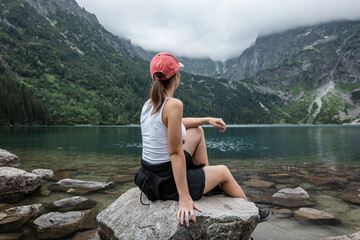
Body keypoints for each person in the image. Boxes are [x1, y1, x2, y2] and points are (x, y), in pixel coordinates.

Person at [135, 52, 271, 226]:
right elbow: (175, 153)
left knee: (197, 131)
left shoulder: (148, 104)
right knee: (224, 171)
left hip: (150, 177)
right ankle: (252, 215)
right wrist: (184, 197)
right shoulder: (174, 104)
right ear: (176, 76)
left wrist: (207, 120)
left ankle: (207, 183)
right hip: (166, 182)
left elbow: (175, 124)